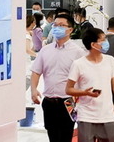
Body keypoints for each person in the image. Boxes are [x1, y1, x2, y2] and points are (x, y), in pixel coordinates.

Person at [66, 28, 114, 142]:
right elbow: (68, 89)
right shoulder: (78, 64)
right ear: (93, 44)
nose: (106, 42)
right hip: (86, 116)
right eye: (103, 40)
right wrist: (85, 93)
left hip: (107, 115)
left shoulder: (110, 60)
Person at [31, 14, 85, 142]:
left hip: (67, 102)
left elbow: (83, 78)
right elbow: (36, 72)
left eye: (61, 25)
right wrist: (33, 89)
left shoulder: (78, 52)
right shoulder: (46, 50)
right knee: (52, 136)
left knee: (66, 135)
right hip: (49, 102)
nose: (56, 28)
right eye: (55, 25)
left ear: (70, 30)